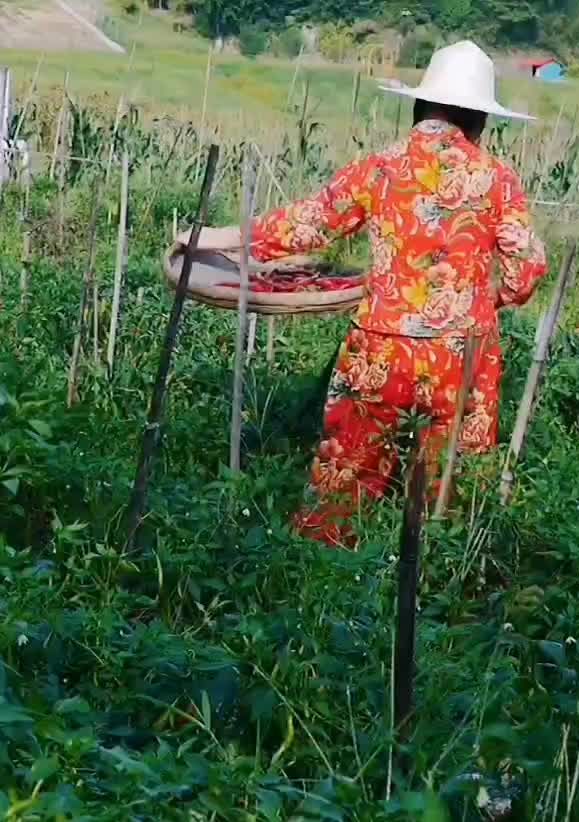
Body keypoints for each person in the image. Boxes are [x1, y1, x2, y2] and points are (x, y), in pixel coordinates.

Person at [185, 41, 549, 546]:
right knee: (453, 483)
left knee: (346, 470)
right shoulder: (499, 181)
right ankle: (442, 578)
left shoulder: (380, 169)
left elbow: (309, 224)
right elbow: (526, 270)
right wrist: (482, 301)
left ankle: (320, 573)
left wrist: (219, 237)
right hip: (462, 353)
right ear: (479, 121)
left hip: (381, 346)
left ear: (419, 108)